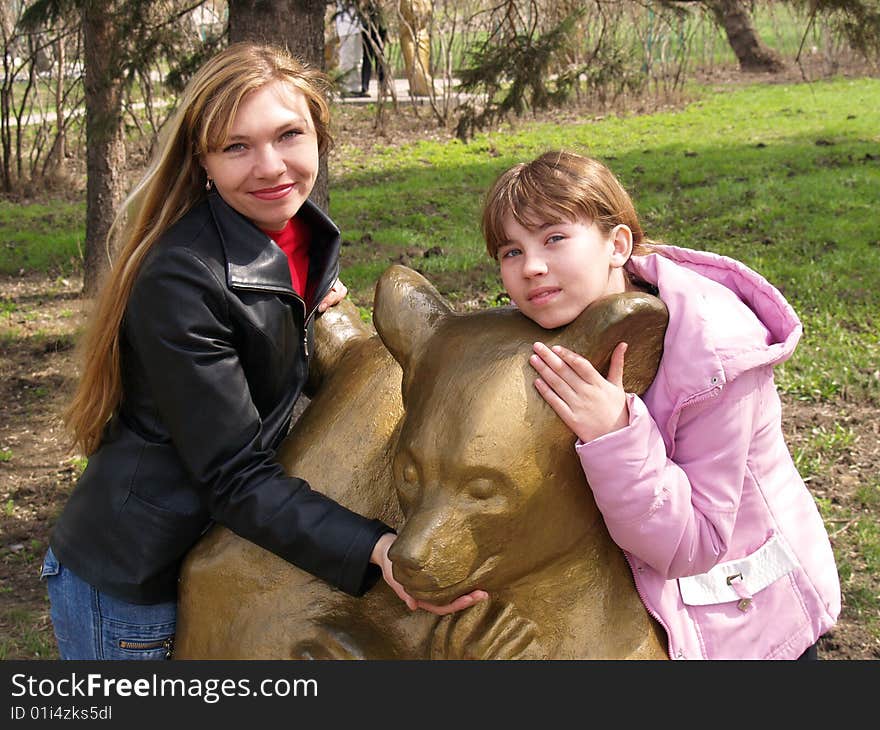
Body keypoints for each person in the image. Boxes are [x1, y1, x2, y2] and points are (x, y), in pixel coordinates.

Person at [41, 42, 486, 661]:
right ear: (204, 162)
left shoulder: (294, 235)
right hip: (133, 580)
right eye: (237, 147)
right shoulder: (183, 280)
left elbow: (267, 346)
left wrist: (311, 316)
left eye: (288, 135)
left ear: (319, 137)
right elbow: (234, 476)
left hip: (213, 550)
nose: (271, 167)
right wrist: (375, 549)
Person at [480, 150, 841, 660]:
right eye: (510, 252)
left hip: (739, 625)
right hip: (634, 607)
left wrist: (615, 436)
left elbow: (695, 542)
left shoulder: (713, 359)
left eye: (554, 238)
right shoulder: (562, 323)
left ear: (617, 244)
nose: (532, 267)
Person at [357, 0, 387, 96]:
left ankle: (383, 88)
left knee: (380, 57)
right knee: (368, 57)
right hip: (368, 25)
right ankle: (365, 87)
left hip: (380, 24)